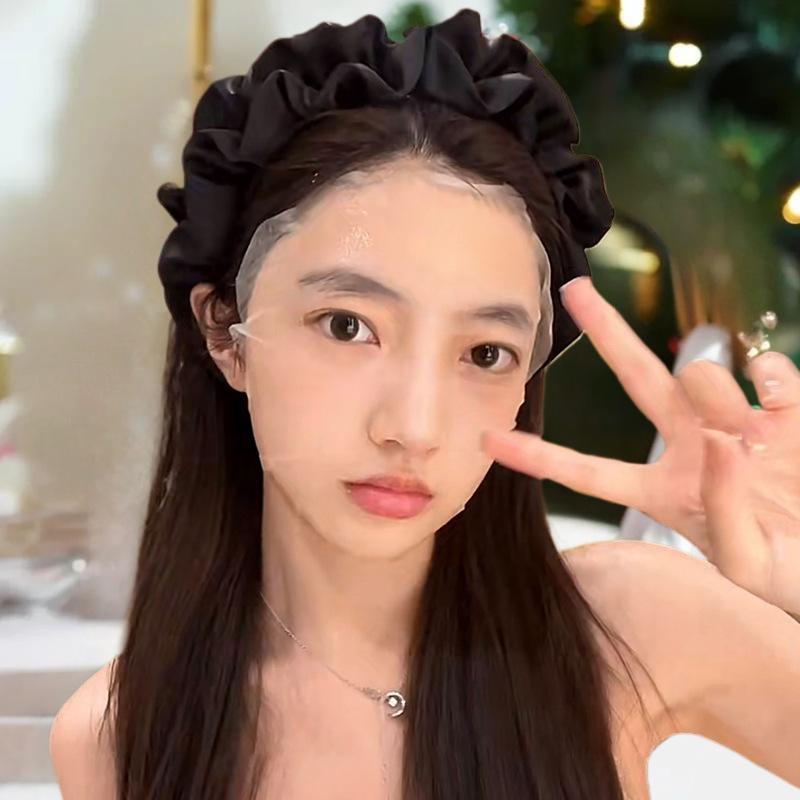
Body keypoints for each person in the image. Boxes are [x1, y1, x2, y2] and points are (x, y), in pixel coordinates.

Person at [48, 9, 800, 800]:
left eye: (485, 353)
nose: (413, 428)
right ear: (225, 333)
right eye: (348, 326)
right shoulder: (119, 737)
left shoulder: (629, 627)